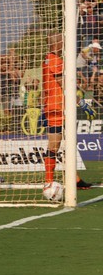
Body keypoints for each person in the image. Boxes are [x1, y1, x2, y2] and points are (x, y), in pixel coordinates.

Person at [42, 33, 93, 194]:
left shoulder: (49, 58)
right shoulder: (55, 60)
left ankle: (74, 178)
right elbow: (62, 83)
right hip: (57, 107)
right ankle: (49, 181)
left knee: (67, 142)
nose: (65, 44)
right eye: (63, 41)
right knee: (55, 145)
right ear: (57, 44)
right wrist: (81, 101)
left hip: (57, 106)